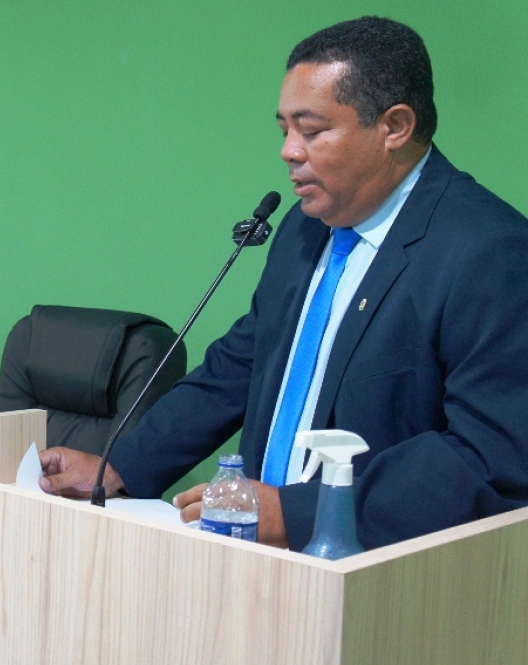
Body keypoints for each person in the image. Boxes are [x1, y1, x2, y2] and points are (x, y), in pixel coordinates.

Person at [39, 16, 528, 552]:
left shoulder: (490, 251)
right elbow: (244, 364)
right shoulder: (305, 226)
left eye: (312, 131)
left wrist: (296, 514)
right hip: (262, 558)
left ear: (394, 127)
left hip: (382, 575)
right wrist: (119, 466)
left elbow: (488, 457)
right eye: (284, 130)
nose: (289, 151)